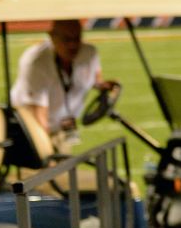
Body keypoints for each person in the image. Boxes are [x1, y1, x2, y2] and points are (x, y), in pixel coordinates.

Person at [10, 19, 113, 150]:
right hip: (33, 128)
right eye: (66, 39)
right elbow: (38, 115)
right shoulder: (36, 63)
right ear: (52, 37)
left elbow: (96, 76)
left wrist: (101, 85)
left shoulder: (89, 52)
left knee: (64, 161)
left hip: (64, 125)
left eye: (77, 38)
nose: (73, 45)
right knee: (48, 165)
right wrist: (46, 153)